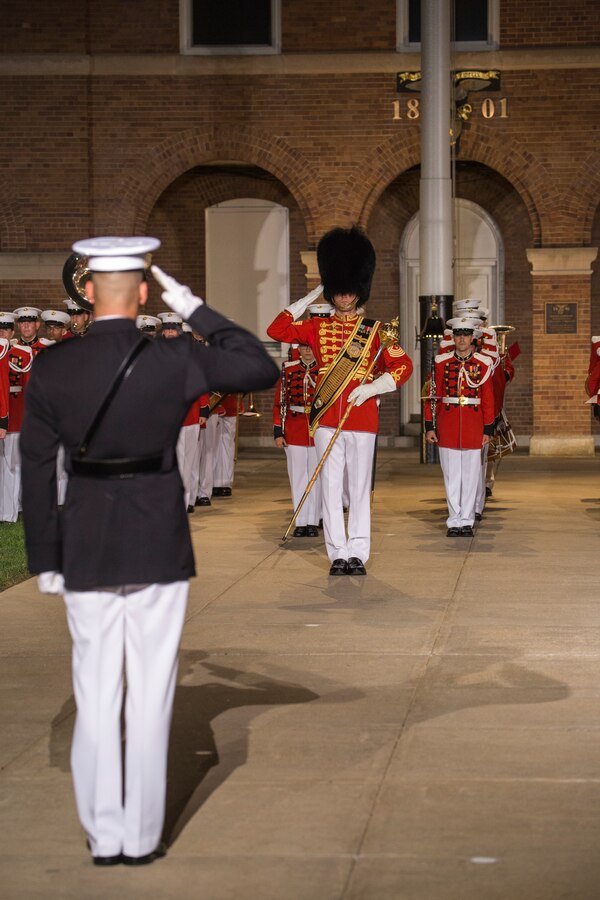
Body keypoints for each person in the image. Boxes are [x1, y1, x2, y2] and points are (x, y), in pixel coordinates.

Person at [20, 236, 279, 867]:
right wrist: (192, 307)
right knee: (152, 694)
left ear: (86, 293)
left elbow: (33, 469)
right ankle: (141, 838)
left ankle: (104, 836)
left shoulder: (54, 367)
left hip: (85, 543)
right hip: (158, 540)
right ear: (141, 294)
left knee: (97, 692)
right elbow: (259, 366)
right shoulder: (175, 359)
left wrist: (45, 558)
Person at [267, 225, 413, 575]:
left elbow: (404, 365)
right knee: (330, 487)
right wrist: (309, 296)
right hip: (326, 418)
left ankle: (358, 553)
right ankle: (337, 553)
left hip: (362, 416)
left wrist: (374, 388)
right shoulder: (315, 328)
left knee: (359, 488)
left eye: (350, 292)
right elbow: (276, 330)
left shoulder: (376, 331)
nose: (345, 298)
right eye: (339, 291)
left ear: (359, 292)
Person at [424, 316, 495, 537]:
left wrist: (488, 429)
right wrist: (430, 426)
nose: (461, 338)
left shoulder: (483, 364)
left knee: (472, 476)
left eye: (465, 334)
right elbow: (431, 396)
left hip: (474, 425)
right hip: (448, 423)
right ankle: (454, 521)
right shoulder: (440, 362)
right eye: (458, 334)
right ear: (453, 337)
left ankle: (467, 520)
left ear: (473, 338)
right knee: (451, 476)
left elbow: (488, 399)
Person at [273, 341, 321, 537]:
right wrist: (279, 431)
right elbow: (280, 402)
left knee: (316, 477)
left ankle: (314, 520)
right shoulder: (288, 369)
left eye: (310, 347)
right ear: (298, 349)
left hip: (318, 428)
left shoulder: (324, 368)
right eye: (303, 347)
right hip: (295, 427)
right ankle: (300, 520)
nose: (307, 351)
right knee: (298, 474)